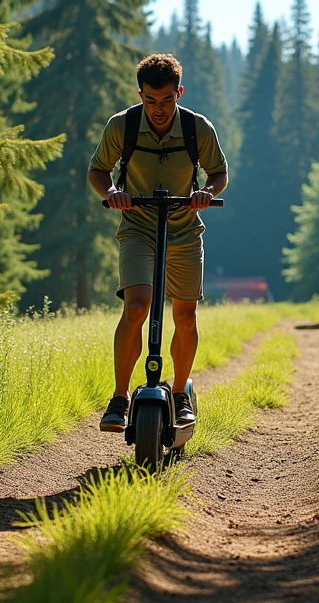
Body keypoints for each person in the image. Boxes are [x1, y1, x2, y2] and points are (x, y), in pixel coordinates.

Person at [87, 53, 229, 432]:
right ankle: (119, 397)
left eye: (166, 100)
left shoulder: (199, 129)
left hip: (183, 229)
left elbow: (219, 173)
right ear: (140, 94)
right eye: (150, 101)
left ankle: (180, 392)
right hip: (138, 226)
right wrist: (114, 190)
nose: (159, 109)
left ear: (178, 92)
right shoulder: (123, 126)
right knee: (137, 307)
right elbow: (97, 170)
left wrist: (205, 192)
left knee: (185, 316)